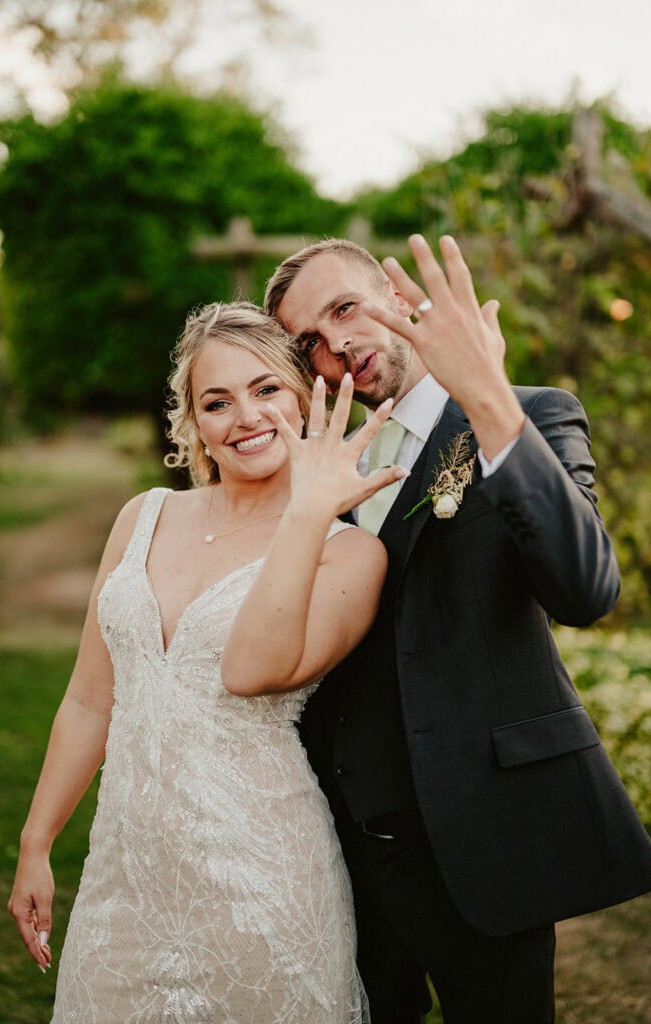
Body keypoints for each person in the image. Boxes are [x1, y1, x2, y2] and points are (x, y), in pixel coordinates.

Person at [264, 234, 651, 1024]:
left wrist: (487, 399)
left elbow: (585, 589)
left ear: (401, 300)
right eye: (311, 342)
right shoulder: (320, 463)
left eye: (345, 309)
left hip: (481, 838)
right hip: (344, 851)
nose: (336, 345)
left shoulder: (529, 415)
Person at [7, 301, 406, 1023]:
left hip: (261, 876)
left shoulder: (350, 553)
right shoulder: (143, 516)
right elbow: (92, 700)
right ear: (193, 423)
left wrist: (307, 511)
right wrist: (38, 840)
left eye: (266, 390)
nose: (244, 417)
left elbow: (259, 668)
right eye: (216, 401)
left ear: (307, 397)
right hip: (125, 876)